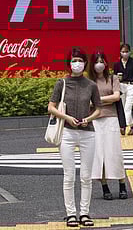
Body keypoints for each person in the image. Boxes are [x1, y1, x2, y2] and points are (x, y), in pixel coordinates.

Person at [48, 48, 101, 227]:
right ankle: (71, 214)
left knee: (86, 176)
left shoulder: (91, 85)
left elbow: (99, 108)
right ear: (69, 63)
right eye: (73, 60)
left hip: (88, 133)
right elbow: (51, 107)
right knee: (69, 175)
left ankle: (84, 213)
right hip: (67, 133)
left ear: (85, 63)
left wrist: (88, 118)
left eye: (79, 60)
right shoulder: (61, 83)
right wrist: (67, 118)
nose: (76, 63)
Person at [88, 52, 128, 201]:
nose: (99, 64)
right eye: (96, 61)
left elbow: (116, 97)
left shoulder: (113, 78)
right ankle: (105, 187)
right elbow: (87, 101)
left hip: (111, 118)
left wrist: (97, 100)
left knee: (115, 153)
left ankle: (122, 184)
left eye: (102, 61)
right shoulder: (89, 82)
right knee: (99, 155)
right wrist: (105, 100)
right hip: (95, 120)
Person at [113, 44, 133, 136]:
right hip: (121, 86)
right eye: (123, 51)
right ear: (120, 52)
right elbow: (114, 77)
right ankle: (131, 127)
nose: (125, 53)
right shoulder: (117, 64)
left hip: (131, 86)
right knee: (122, 108)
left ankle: (123, 127)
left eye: (126, 51)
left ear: (129, 52)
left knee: (127, 108)